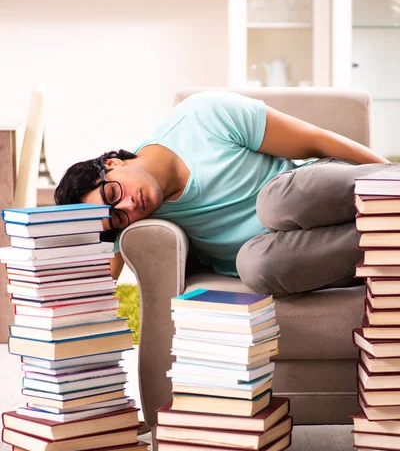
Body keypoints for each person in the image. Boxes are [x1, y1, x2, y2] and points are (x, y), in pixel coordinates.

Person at [55, 90, 392, 296]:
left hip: (313, 196)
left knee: (274, 203)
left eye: (114, 193)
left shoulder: (202, 115)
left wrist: (390, 178)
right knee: (255, 266)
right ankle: (391, 241)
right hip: (286, 248)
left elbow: (318, 141)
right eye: (118, 216)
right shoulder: (131, 218)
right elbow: (98, 288)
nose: (129, 204)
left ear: (112, 162)